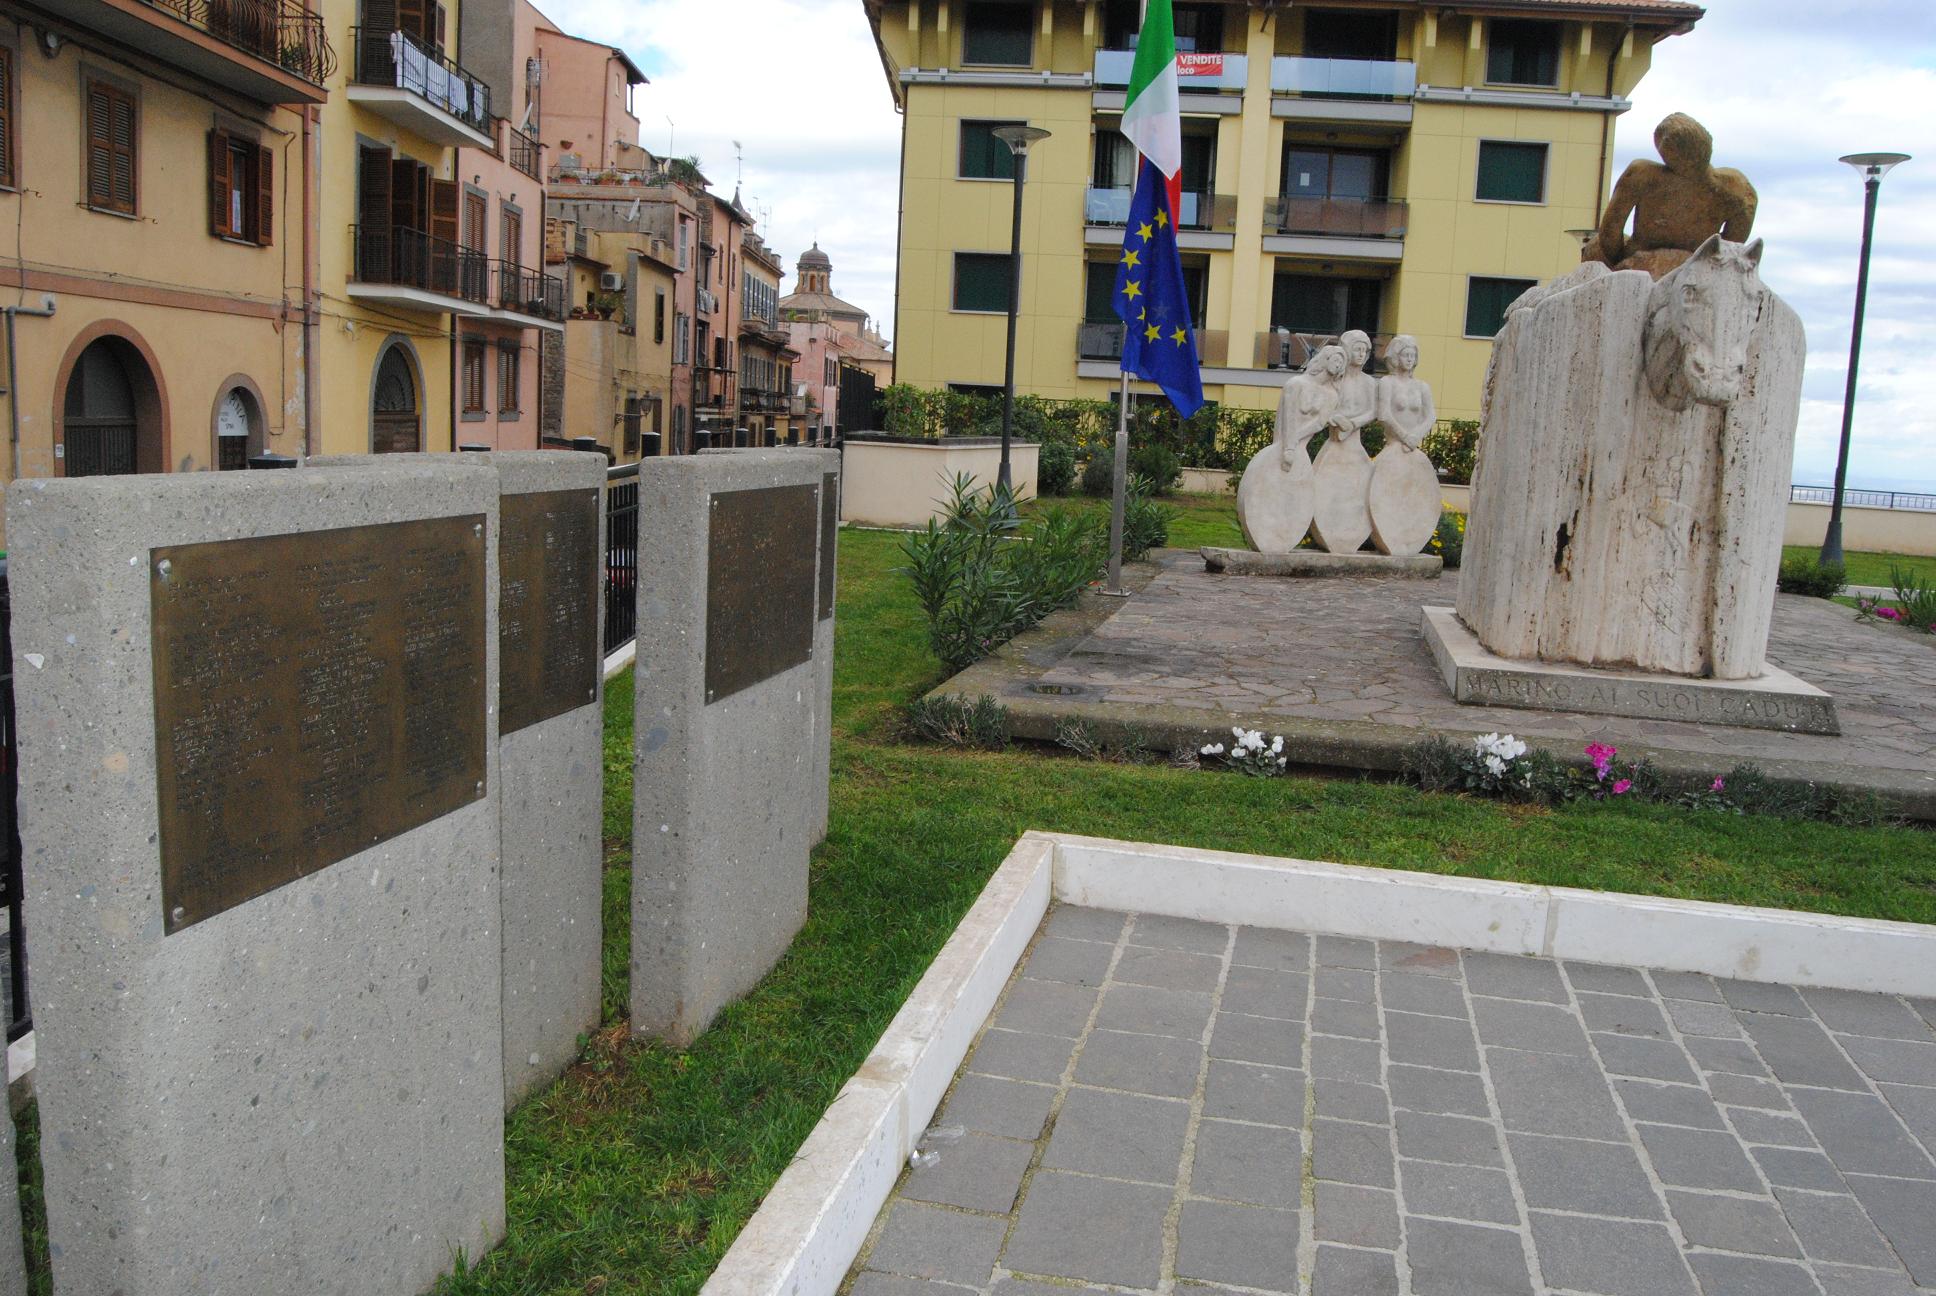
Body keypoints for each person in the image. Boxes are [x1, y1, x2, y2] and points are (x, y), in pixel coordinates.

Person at [1587, 113, 1757, 279]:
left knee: (1593, 248)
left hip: (1641, 261)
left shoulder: (1642, 174)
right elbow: (1733, 242)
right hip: (1697, 262)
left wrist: (1624, 259)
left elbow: (1609, 233)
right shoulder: (1735, 185)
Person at [1275, 345, 1344, 469]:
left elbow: (1319, 423)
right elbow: (1287, 417)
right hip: (1281, 447)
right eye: (1336, 360)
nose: (1338, 365)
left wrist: (1295, 439)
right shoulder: (1296, 383)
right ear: (1326, 359)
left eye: (1341, 363)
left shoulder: (1332, 395)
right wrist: (1289, 447)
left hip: (1300, 448)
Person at [1374, 335, 1435, 450]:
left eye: (1412, 355)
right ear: (1396, 357)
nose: (1409, 359)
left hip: (1413, 444)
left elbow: (1431, 416)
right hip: (1394, 444)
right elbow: (1384, 415)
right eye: (1405, 355)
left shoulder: (1422, 386)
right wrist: (1405, 437)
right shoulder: (1387, 382)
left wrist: (1416, 436)